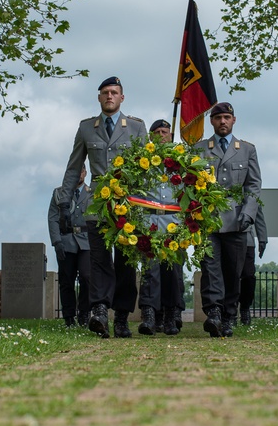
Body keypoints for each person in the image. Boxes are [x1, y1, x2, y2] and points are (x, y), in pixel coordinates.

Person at [59, 76, 147, 338]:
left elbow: (145, 169)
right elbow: (74, 166)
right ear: (99, 98)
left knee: (125, 263)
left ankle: (121, 318)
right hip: (97, 203)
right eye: (105, 92)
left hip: (127, 204)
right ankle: (98, 311)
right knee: (98, 260)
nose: (109, 96)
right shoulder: (87, 127)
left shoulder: (136, 127)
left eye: (114, 92)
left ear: (122, 98)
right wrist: (65, 198)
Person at [198, 102, 261, 337]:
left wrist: (248, 213)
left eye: (227, 117)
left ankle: (228, 316)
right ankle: (213, 313)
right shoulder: (200, 149)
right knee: (211, 268)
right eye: (218, 118)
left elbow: (253, 185)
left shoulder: (247, 149)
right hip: (208, 219)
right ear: (211, 122)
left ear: (234, 120)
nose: (222, 121)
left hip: (237, 219)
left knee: (233, 271)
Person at [137, 119, 184, 337]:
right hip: (150, 222)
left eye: (165, 131)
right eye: (156, 132)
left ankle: (171, 315)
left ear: (171, 136)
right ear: (150, 137)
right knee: (150, 270)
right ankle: (149, 315)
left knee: (172, 272)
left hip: (175, 224)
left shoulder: (182, 162)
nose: (161, 135)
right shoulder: (141, 162)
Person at [47, 165, 91, 327]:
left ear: (85, 173)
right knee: (66, 280)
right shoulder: (59, 193)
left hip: (86, 242)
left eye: (81, 171)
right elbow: (52, 218)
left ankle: (84, 313)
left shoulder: (92, 192)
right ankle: (69, 316)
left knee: (87, 277)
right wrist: (56, 241)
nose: (78, 174)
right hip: (66, 240)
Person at [239, 205, 268, 325]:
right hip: (226, 238)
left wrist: (262, 239)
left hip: (247, 241)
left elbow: (258, 214)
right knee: (230, 275)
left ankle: (245, 308)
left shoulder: (250, 192)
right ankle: (228, 312)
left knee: (248, 275)